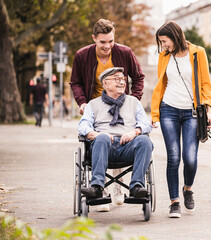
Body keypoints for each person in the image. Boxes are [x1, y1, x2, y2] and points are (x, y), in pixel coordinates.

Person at [70, 19, 145, 209]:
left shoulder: (125, 53)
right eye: (103, 42)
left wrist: (131, 100)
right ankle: (100, 187)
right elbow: (76, 82)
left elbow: (138, 77)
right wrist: (83, 103)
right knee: (102, 138)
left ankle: (119, 189)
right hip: (96, 106)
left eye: (111, 41)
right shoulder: (82, 56)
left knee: (122, 133)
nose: (107, 46)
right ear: (94, 38)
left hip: (121, 102)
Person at [151, 21, 211, 218]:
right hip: (168, 110)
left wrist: (209, 110)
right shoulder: (164, 57)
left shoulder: (198, 53)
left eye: (164, 41)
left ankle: (187, 188)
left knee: (190, 158)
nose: (163, 46)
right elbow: (161, 84)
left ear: (175, 36)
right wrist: (155, 114)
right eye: (161, 42)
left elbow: (205, 83)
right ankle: (174, 202)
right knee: (174, 157)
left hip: (192, 113)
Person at [78, 67, 153, 202]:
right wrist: (95, 134)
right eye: (117, 79)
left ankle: (136, 186)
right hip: (103, 148)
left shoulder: (133, 102)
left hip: (128, 147)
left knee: (145, 141)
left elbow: (146, 124)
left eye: (123, 79)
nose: (122, 82)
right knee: (102, 138)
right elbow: (83, 125)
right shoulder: (93, 104)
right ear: (105, 83)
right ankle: (96, 187)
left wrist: (134, 132)